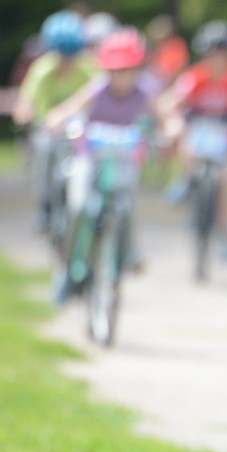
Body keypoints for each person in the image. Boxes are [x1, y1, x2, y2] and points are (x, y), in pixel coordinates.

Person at [44, 27, 166, 303]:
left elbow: (165, 115)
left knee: (128, 203)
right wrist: (57, 118)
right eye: (116, 70)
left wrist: (171, 128)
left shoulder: (145, 92)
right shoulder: (98, 89)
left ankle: (128, 251)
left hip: (124, 159)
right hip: (90, 156)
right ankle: (67, 269)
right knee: (79, 207)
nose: (122, 77)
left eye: (129, 69)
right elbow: (71, 108)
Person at [158, 19, 227, 263]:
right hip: (197, 130)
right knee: (184, 141)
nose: (219, 60)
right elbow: (172, 99)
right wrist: (171, 118)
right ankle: (185, 179)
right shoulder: (194, 76)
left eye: (224, 54)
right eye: (214, 54)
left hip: (224, 136)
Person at [13, 9, 99, 233]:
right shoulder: (42, 69)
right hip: (49, 127)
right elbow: (27, 99)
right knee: (45, 151)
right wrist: (24, 112)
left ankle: (98, 203)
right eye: (62, 54)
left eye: (72, 54)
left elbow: (100, 93)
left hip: (81, 128)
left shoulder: (89, 67)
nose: (66, 61)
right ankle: (45, 207)